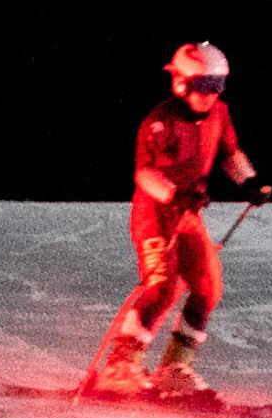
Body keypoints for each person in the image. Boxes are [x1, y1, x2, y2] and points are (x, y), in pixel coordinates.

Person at [90, 43, 261, 395]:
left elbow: (230, 154)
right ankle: (120, 366)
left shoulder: (219, 115)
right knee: (162, 286)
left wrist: (250, 181)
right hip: (156, 213)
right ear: (182, 84)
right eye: (203, 85)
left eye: (218, 85)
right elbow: (144, 174)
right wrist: (173, 193)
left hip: (187, 215)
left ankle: (174, 365)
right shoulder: (160, 123)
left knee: (208, 287)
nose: (210, 95)